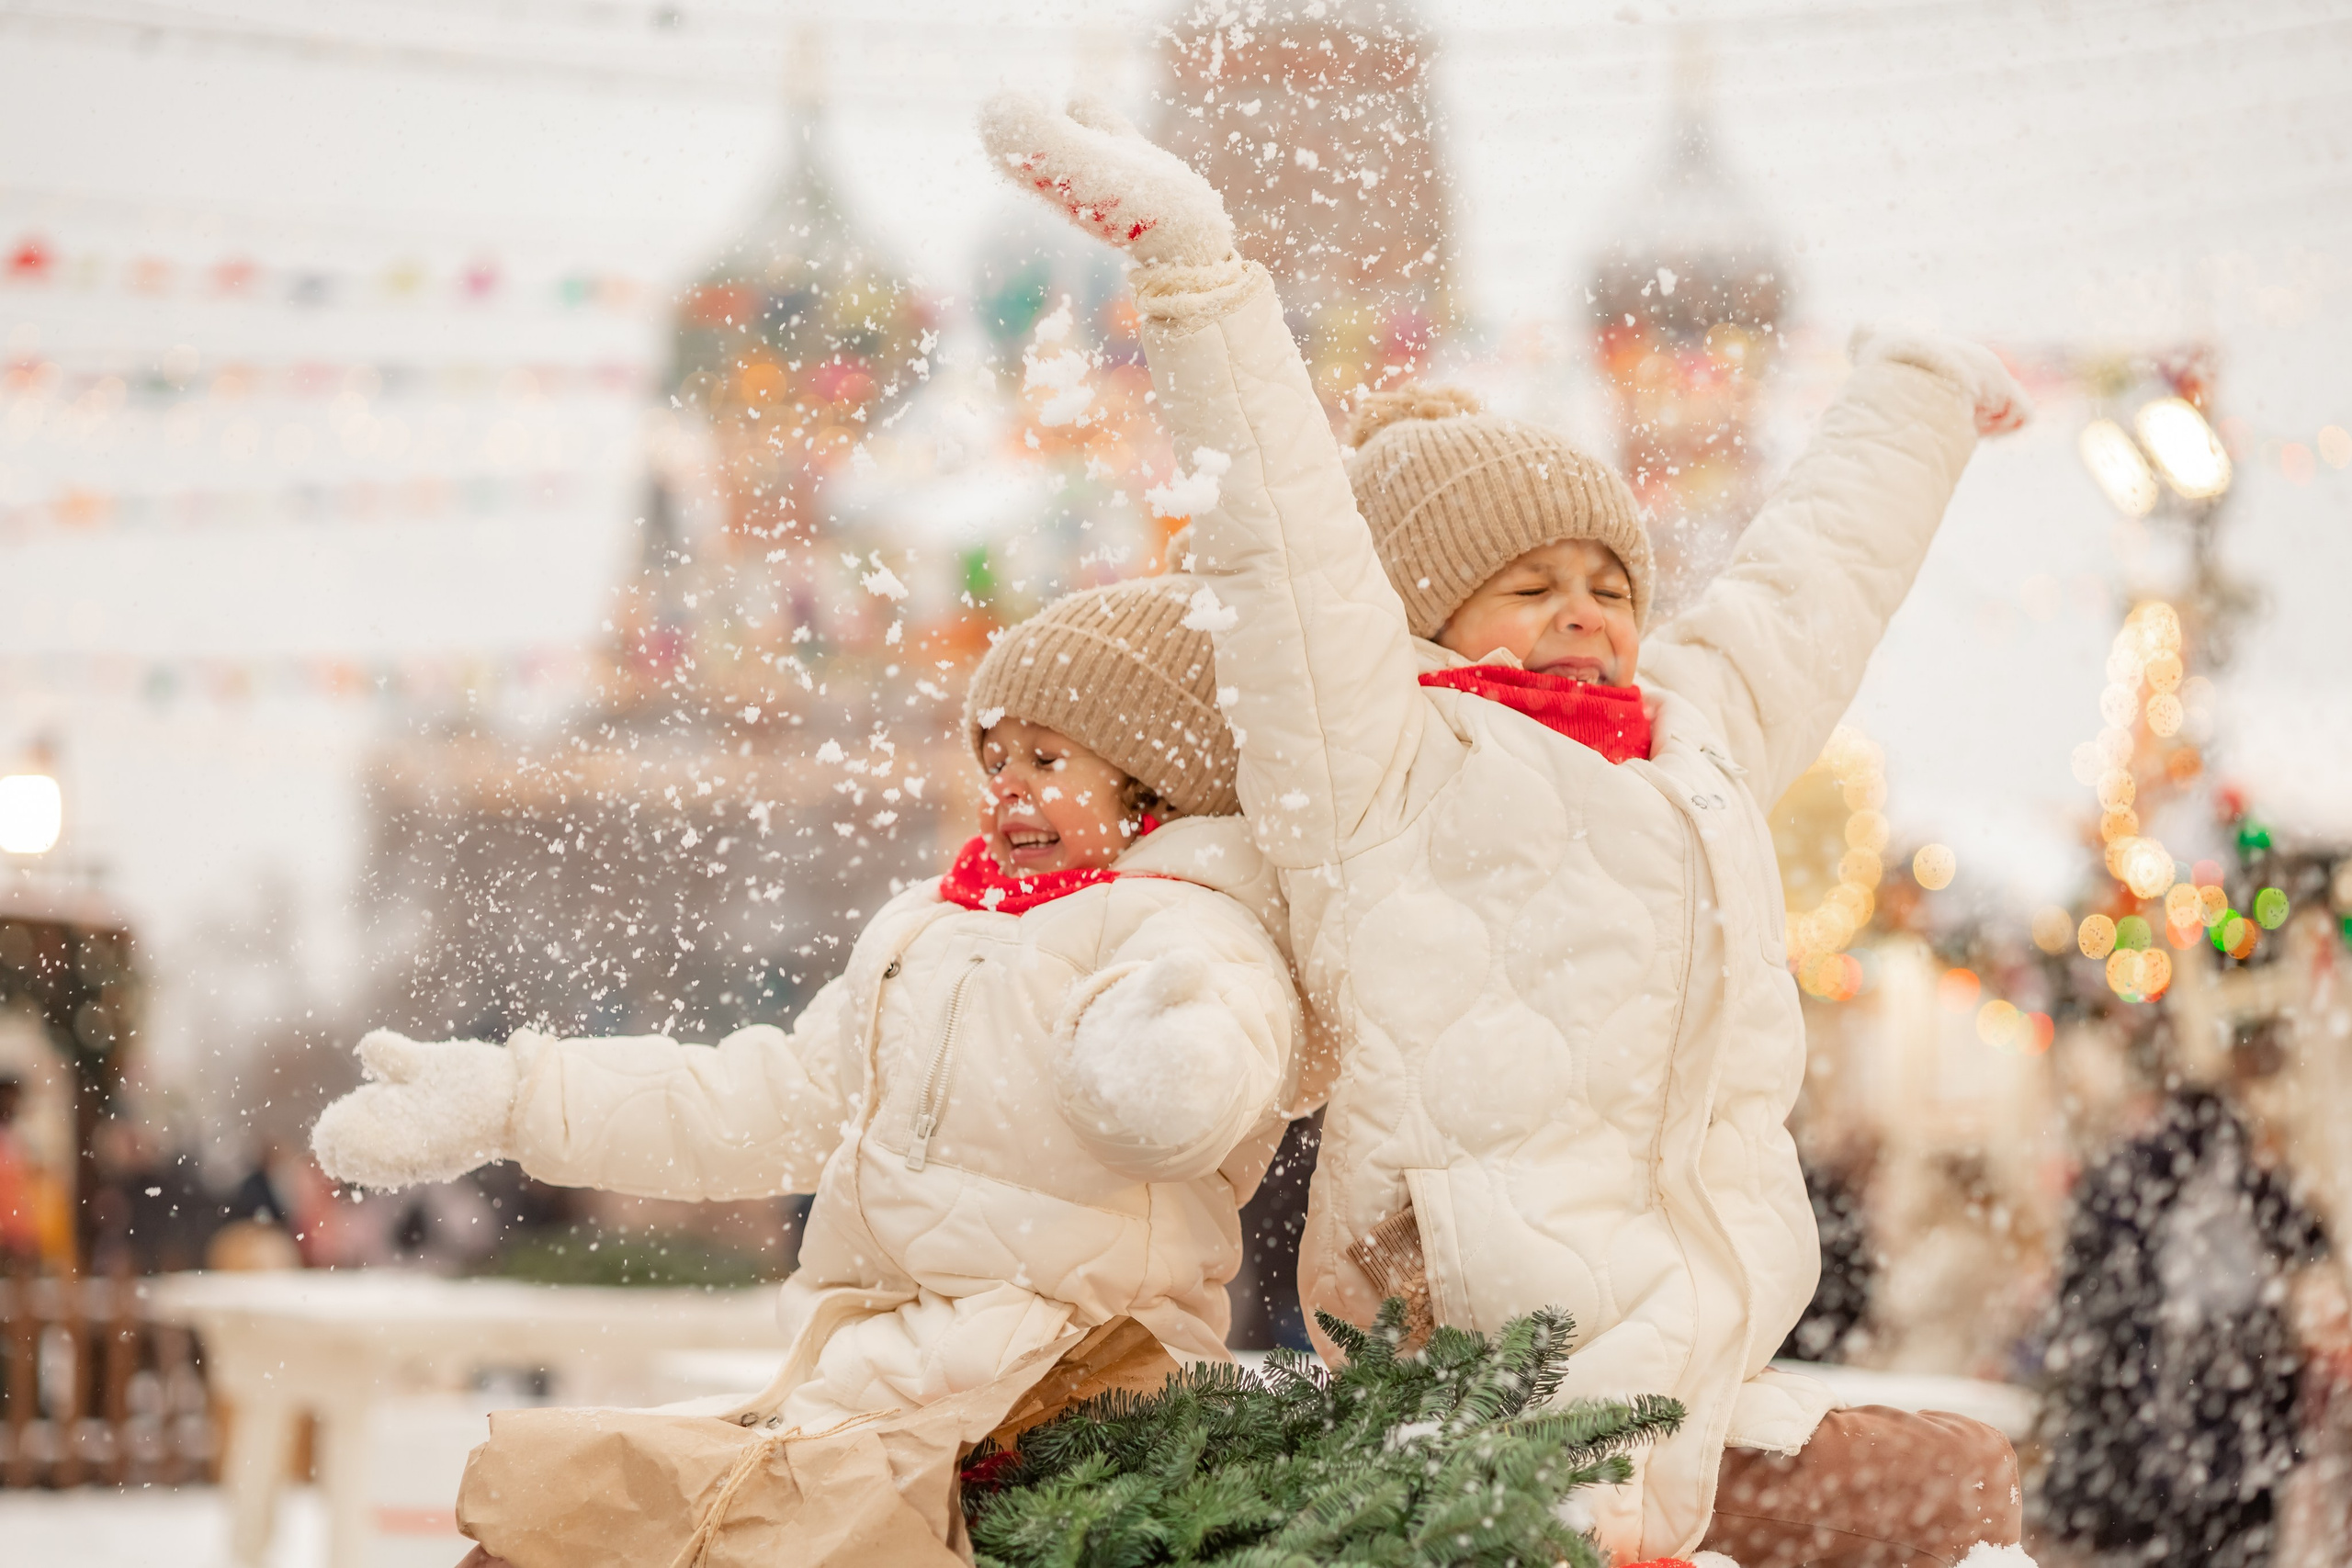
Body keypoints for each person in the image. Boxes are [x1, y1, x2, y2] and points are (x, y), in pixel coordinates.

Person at [985, 94, 2033, 1565]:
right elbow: (1287, 547)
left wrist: (1918, 399)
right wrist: (1198, 272)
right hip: (1476, 1362)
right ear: (1427, 616)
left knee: (1955, 1486)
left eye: (1609, 579)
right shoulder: (1380, 756)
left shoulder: (1693, 735)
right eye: (1528, 581)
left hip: (1700, 1336)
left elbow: (1811, 589)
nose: (1585, 608)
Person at [312, 571, 1312, 1438]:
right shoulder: (927, 935)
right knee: (541, 1501)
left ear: (1153, 786)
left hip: (1064, 1392)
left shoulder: (1187, 927)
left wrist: (1163, 1069)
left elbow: (1215, 1051)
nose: (1007, 790)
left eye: (1046, 762)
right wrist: (515, 1097)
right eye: (995, 760)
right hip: (871, 1384)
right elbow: (762, 1099)